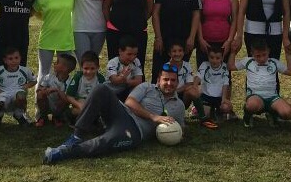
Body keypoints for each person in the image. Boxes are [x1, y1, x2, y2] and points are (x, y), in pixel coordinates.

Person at [42, 63, 185, 165]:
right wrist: (153, 117)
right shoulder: (147, 87)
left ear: (178, 83)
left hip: (134, 132)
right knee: (100, 90)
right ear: (159, 80)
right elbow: (130, 102)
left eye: (173, 80)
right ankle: (76, 136)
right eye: (165, 79)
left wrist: (171, 134)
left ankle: (61, 153)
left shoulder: (179, 106)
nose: (169, 83)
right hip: (122, 113)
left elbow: (179, 129)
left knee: (104, 143)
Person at [151, 0, 201, 83]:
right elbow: (155, 13)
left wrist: (191, 37)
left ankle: (179, 101)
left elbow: (196, 15)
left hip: (184, 39)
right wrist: (158, 37)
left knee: (180, 75)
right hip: (164, 38)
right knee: (159, 73)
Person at [230, 38, 291, 129]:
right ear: (252, 54)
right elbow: (231, 66)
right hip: (255, 96)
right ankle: (247, 116)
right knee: (252, 105)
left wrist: (288, 54)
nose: (261, 58)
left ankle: (271, 113)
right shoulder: (248, 61)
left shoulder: (273, 62)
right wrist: (233, 52)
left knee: (288, 114)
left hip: (272, 97)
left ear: (268, 51)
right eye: (258, 56)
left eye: (264, 55)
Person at [33, 0, 75, 86]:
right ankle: (39, 104)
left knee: (64, 74)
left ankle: (61, 103)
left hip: (65, 39)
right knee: (44, 73)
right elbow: (34, 11)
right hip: (47, 38)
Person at [197, 0, 238, 67]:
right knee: (204, 76)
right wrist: (200, 39)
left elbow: (234, 20)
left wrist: (229, 41)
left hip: (224, 43)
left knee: (224, 77)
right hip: (205, 43)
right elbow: (197, 19)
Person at [0, 47, 37, 127]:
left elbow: (34, 80)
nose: (14, 61)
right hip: (3, 93)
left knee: (21, 96)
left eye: (16, 58)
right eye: (10, 59)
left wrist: (26, 86)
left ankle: (19, 115)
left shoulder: (25, 70)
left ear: (20, 58)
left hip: (17, 93)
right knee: (0, 104)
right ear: (5, 60)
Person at [34, 53, 76, 127]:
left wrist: (56, 90)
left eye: (57, 62)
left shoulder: (70, 82)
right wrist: (44, 90)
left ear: (64, 68)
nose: (54, 63)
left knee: (64, 100)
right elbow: (38, 90)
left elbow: (67, 99)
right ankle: (43, 117)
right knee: (40, 94)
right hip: (47, 103)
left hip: (59, 106)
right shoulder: (48, 77)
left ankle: (57, 117)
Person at [194, 45, 230, 128]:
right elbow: (198, 77)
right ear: (208, 57)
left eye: (217, 58)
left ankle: (218, 111)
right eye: (212, 57)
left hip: (219, 97)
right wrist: (195, 88)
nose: (214, 60)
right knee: (205, 115)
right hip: (206, 96)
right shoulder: (204, 65)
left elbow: (225, 84)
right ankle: (199, 109)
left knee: (226, 107)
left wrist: (224, 98)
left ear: (222, 58)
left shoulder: (225, 67)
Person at [64, 51, 106, 121]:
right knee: (74, 112)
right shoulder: (78, 77)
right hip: (79, 105)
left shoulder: (100, 79)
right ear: (81, 67)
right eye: (86, 68)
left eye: (92, 68)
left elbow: (104, 96)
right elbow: (69, 96)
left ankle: (92, 122)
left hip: (93, 106)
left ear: (98, 67)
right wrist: (79, 105)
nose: (89, 71)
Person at [105, 36, 144, 102]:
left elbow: (139, 81)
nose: (132, 57)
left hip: (126, 90)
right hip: (111, 92)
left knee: (143, 88)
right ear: (120, 51)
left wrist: (123, 80)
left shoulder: (136, 61)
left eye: (135, 54)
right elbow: (115, 81)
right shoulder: (112, 63)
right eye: (129, 54)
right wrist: (123, 76)